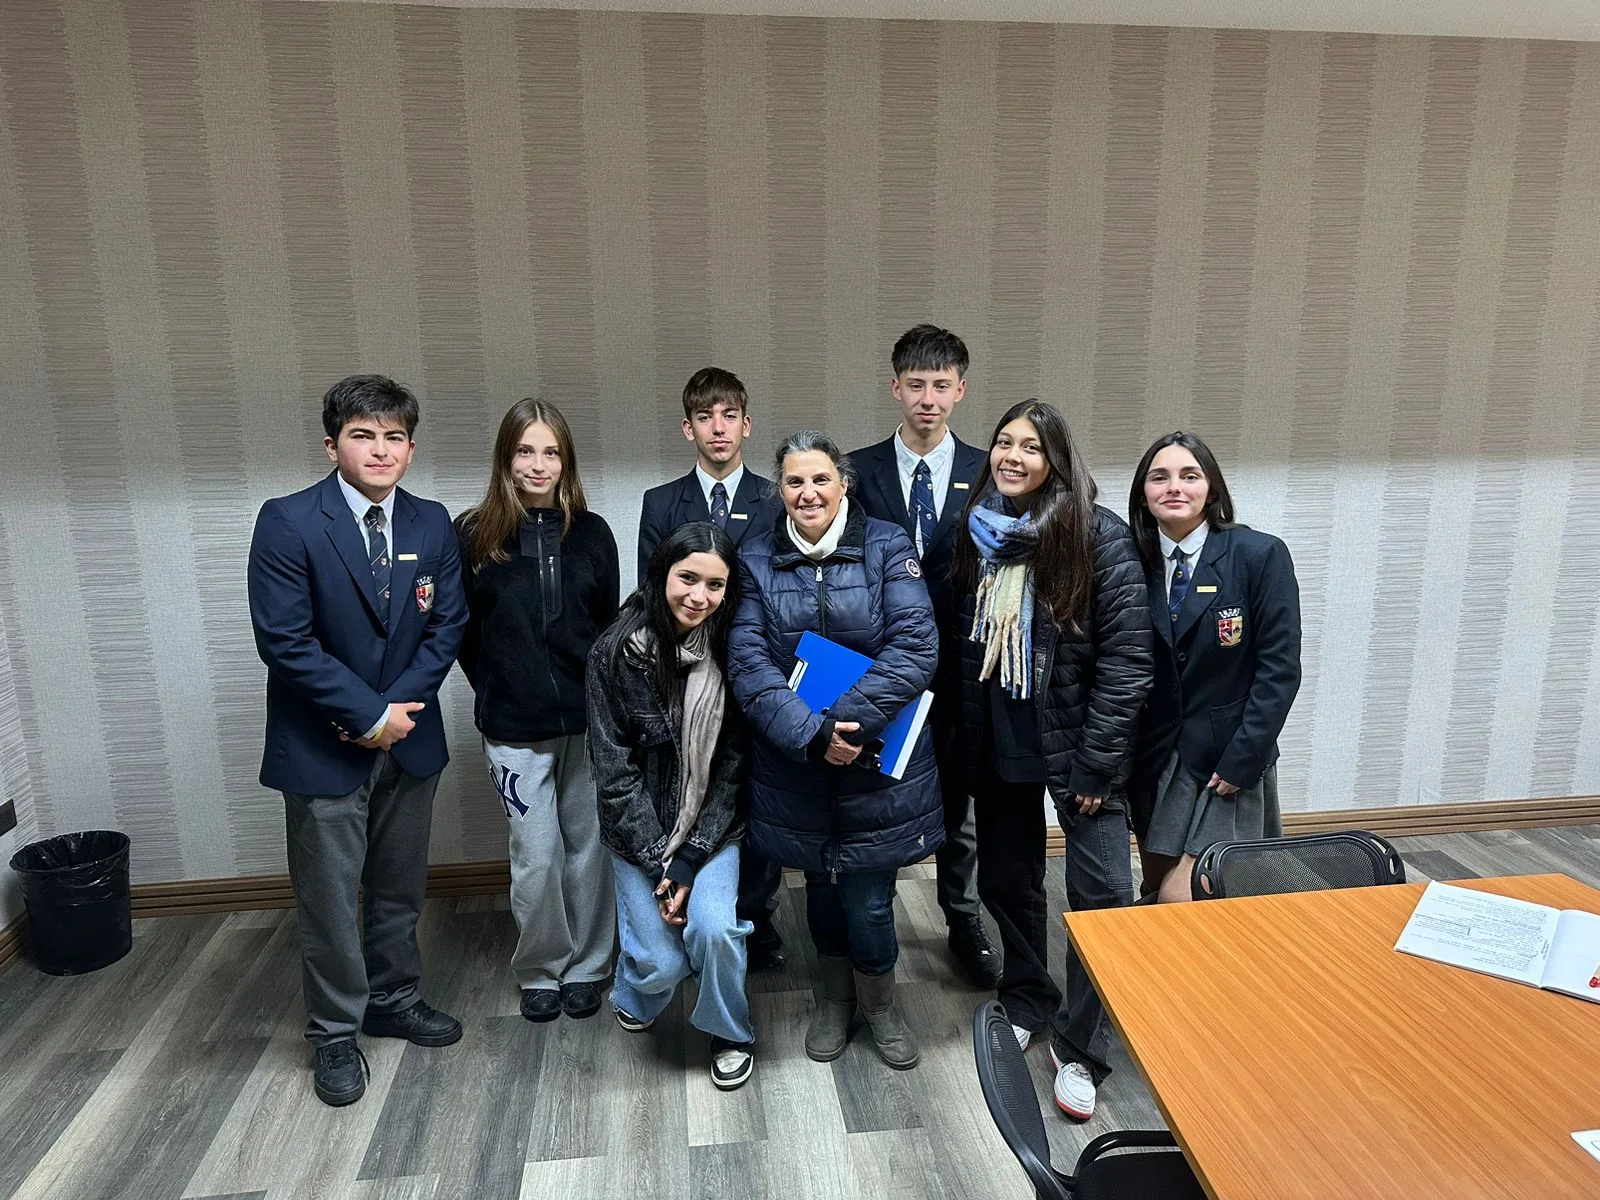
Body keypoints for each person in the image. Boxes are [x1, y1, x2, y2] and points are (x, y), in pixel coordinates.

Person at [247, 374, 468, 1107]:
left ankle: (394, 1000)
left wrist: (395, 714)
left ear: (411, 448)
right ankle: (335, 1032)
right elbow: (285, 640)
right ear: (331, 444)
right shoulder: (288, 521)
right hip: (323, 745)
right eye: (362, 435)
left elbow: (446, 626)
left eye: (394, 437)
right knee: (331, 901)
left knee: (399, 889)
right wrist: (369, 715)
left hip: (410, 739)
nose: (380, 450)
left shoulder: (432, 522)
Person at [953, 399, 1153, 1121]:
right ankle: (1028, 997)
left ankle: (1083, 1046)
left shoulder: (1098, 536)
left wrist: (1098, 764)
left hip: (1081, 746)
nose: (1012, 457)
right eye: (1004, 442)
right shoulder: (978, 529)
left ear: (1056, 460)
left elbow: (1128, 662)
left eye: (1031, 447)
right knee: (1008, 879)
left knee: (1104, 897)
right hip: (1002, 731)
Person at [730, 430, 943, 1071]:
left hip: (874, 760)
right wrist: (813, 733)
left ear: (843, 482)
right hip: (798, 763)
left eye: (820, 479)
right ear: (779, 490)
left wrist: (844, 725)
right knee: (820, 887)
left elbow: (916, 647)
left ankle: (880, 1004)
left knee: (870, 901)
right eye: (794, 481)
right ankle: (833, 999)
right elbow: (747, 663)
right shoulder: (755, 557)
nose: (808, 492)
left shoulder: (888, 545)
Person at [456, 398, 620, 1024]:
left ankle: (588, 967)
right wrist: (500, 686)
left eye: (551, 452)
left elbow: (607, 630)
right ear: (506, 457)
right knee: (537, 855)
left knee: (589, 848)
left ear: (566, 460)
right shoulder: (473, 535)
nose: (538, 464)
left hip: (588, 725)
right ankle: (541, 969)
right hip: (513, 729)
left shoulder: (593, 533)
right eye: (525, 450)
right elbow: (463, 636)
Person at [849, 324, 1000, 989]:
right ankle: (872, 923)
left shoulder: (988, 471)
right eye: (916, 385)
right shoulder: (856, 470)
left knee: (959, 800)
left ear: (961, 390)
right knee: (879, 792)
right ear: (895, 388)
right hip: (881, 663)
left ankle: (962, 918)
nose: (928, 399)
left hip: (964, 664)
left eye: (942, 385)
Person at [588, 522, 756, 1090]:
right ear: (661, 574)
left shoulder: (733, 648)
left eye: (715, 585)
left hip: (712, 829)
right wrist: (661, 863)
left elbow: (732, 767)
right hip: (637, 832)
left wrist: (690, 859)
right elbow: (614, 776)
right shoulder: (614, 653)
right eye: (688, 578)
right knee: (663, 963)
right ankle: (634, 990)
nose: (699, 596)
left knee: (713, 931)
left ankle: (729, 1031)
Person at [637, 367, 787, 971]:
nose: (718, 428)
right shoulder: (660, 502)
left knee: (759, 793)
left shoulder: (775, 499)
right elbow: (650, 598)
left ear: (747, 425)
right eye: (705, 417)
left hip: (761, 672)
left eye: (729, 416)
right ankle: (690, 904)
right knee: (696, 790)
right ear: (688, 428)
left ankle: (757, 915)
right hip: (688, 676)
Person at [1127, 431, 1302, 904]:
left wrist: (1245, 757)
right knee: (1155, 886)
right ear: (1143, 494)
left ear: (1212, 490)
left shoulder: (1258, 555)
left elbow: (1280, 669)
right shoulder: (1129, 561)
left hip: (1227, 757)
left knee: (1186, 895)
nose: (1174, 487)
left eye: (1190, 476)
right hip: (1154, 759)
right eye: (1159, 477)